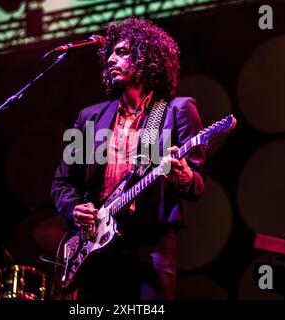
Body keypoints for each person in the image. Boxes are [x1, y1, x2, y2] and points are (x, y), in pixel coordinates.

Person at [51, 17, 205, 301]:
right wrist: (75, 209)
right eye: (109, 52)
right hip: (95, 246)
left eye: (121, 52)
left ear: (148, 58)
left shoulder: (177, 110)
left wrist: (183, 175)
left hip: (150, 246)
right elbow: (62, 181)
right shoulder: (90, 117)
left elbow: (196, 183)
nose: (110, 59)